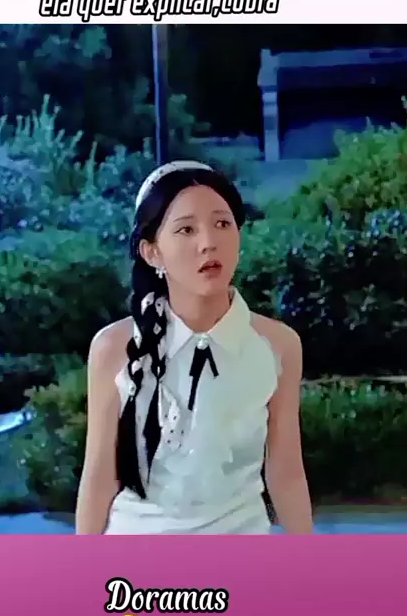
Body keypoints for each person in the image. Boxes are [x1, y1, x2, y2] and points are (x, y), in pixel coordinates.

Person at [76, 161, 313, 534]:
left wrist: (311, 558)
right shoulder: (113, 347)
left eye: (222, 224)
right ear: (152, 252)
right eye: (186, 229)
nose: (208, 243)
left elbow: (285, 472)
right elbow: (99, 477)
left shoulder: (278, 345)